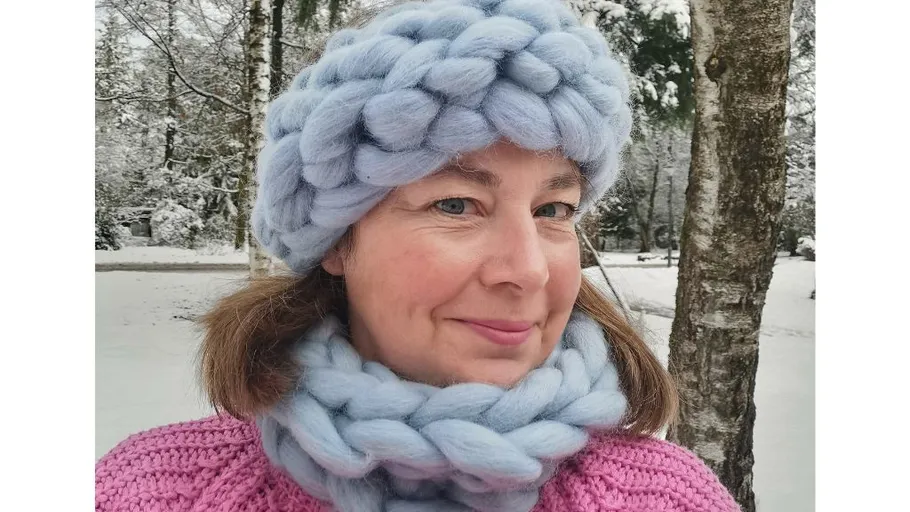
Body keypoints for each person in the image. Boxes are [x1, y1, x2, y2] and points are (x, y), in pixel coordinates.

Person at [95, 1, 739, 511]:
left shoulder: (666, 497)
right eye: (456, 205)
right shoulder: (155, 492)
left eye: (553, 211)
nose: (528, 270)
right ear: (339, 242)